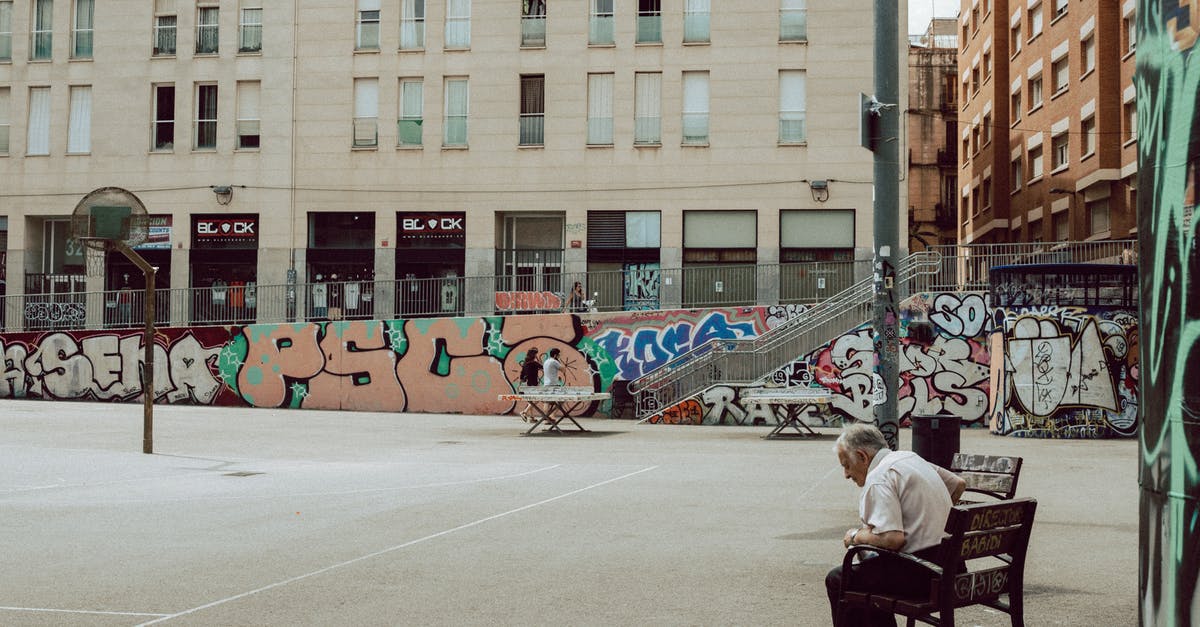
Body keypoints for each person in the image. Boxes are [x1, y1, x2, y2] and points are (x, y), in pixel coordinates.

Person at [825, 423, 966, 627]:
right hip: (953, 566)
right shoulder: (909, 458)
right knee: (869, 574)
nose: (846, 474)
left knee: (840, 578)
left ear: (862, 456)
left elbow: (893, 538)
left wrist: (856, 536)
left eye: (846, 465)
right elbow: (957, 484)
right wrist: (928, 517)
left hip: (925, 575)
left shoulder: (879, 477)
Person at [518, 348, 543, 422]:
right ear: (533, 355)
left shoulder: (525, 364)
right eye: (535, 354)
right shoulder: (534, 363)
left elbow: (521, 375)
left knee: (530, 401)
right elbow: (543, 367)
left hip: (527, 385)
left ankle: (532, 417)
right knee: (538, 399)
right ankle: (524, 412)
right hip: (533, 384)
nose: (536, 356)